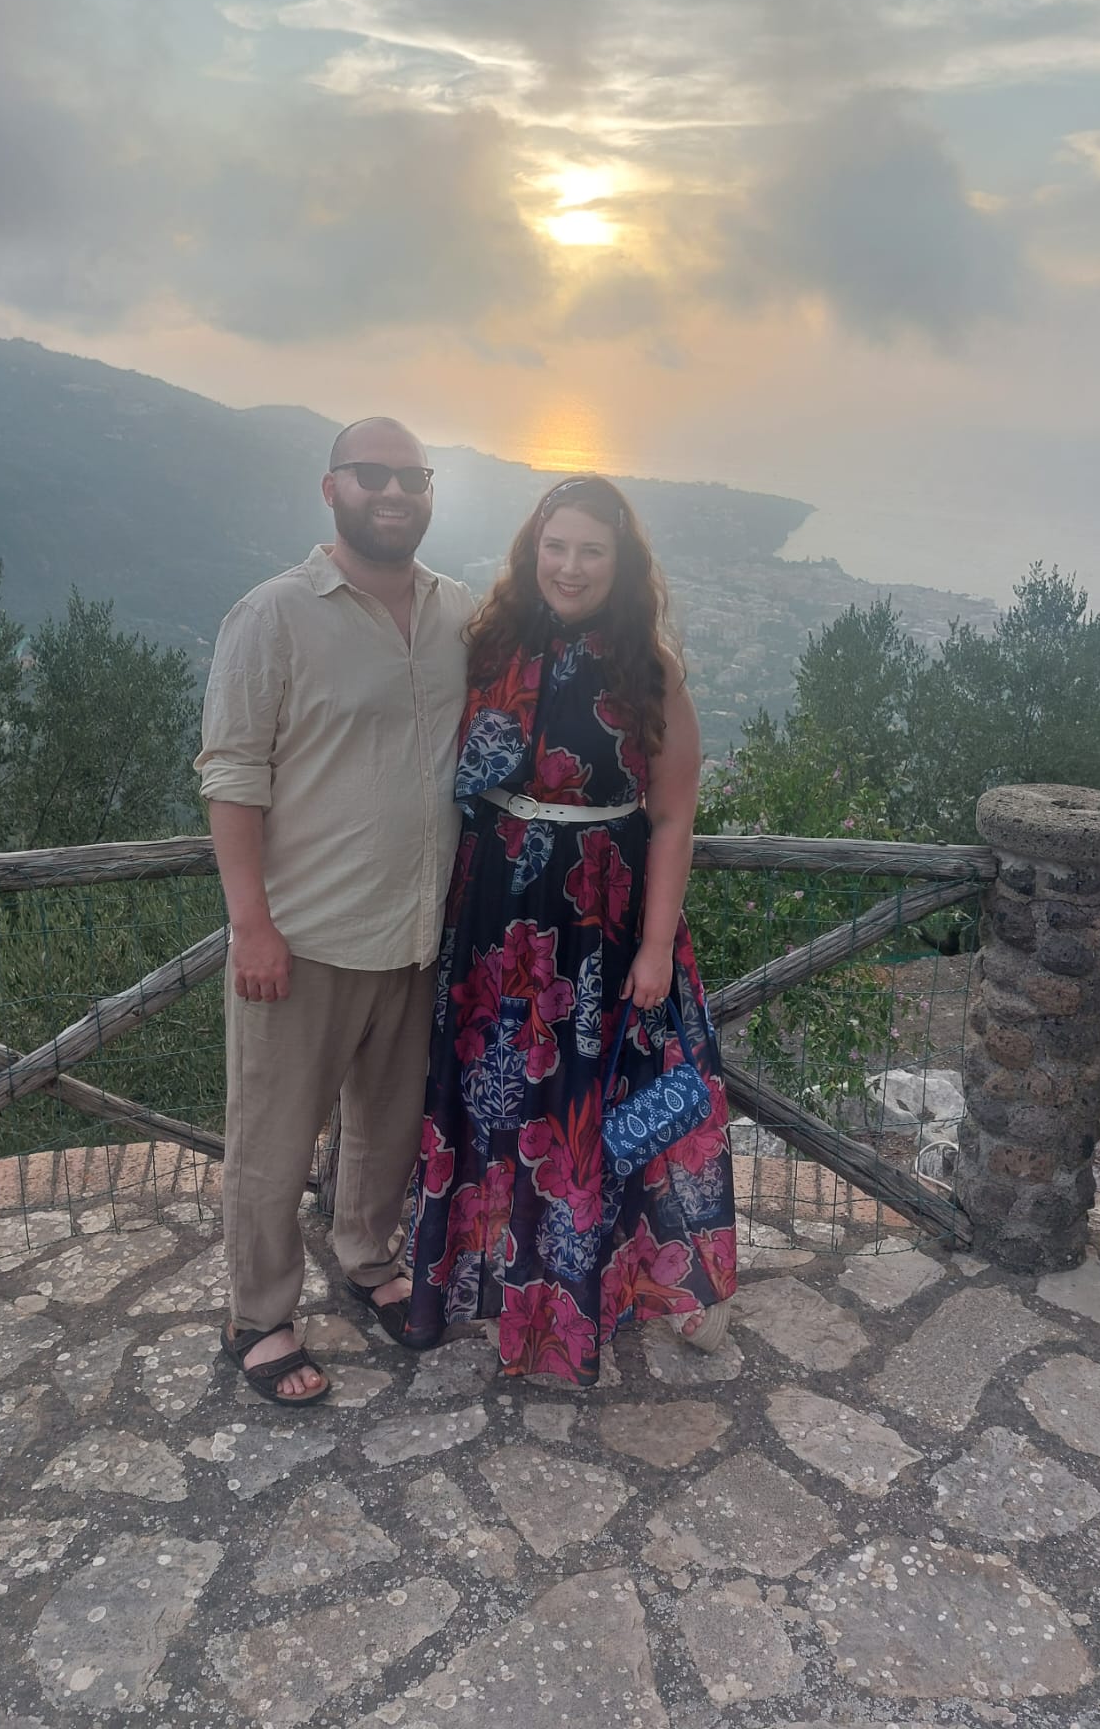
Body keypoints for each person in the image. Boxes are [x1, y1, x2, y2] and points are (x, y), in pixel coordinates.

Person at [404, 474, 737, 1383]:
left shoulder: (649, 672)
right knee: (491, 1106)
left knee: (594, 1121)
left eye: (592, 549)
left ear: (621, 563)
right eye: (556, 546)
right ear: (531, 551)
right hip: (493, 922)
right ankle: (478, 1291)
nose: (570, 565)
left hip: (599, 929)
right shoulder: (491, 645)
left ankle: (597, 1299)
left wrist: (658, 946)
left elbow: (672, 817)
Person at [196, 418, 474, 1407]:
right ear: (332, 487)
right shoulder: (273, 615)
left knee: (387, 1128)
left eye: (412, 475)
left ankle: (367, 1257)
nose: (393, 491)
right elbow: (232, 774)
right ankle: (259, 1316)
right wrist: (251, 922)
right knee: (270, 1143)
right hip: (302, 936)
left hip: (415, 932)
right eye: (373, 474)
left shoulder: (457, 616)